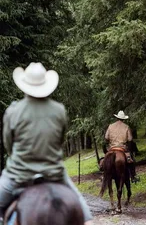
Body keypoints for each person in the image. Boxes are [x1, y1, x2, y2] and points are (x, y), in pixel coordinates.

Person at [0, 62, 93, 225]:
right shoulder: (59, 110)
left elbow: (8, 144)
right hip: (54, 171)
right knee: (78, 200)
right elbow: (60, 140)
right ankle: (88, 220)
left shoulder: (13, 111)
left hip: (19, 173)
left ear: (24, 86)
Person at [104, 110, 139, 183]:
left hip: (112, 148)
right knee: (131, 161)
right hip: (122, 148)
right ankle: (133, 176)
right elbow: (130, 139)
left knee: (105, 160)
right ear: (123, 119)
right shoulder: (126, 127)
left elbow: (106, 137)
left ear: (117, 118)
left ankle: (104, 175)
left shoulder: (110, 126)